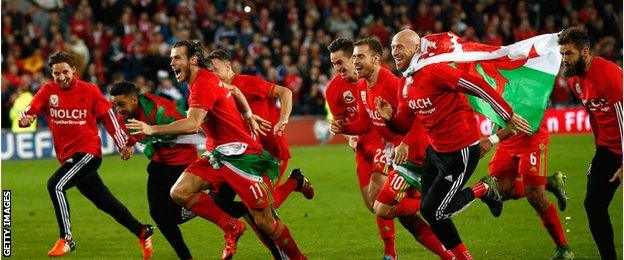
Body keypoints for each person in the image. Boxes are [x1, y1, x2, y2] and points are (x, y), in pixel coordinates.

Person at [126, 40, 307, 260]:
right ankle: (231, 226)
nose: (171, 62)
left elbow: (192, 124)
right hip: (219, 156)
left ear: (192, 60)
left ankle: (297, 257)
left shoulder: (202, 83)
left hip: (242, 157)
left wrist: (151, 129)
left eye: (176, 57)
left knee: (265, 220)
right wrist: (248, 116)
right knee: (179, 192)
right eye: (171, 58)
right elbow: (234, 91)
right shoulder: (200, 81)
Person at [375, 29, 531, 259]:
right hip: (435, 153)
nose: (394, 51)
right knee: (431, 211)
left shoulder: (434, 71)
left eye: (400, 46)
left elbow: (477, 85)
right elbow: (403, 125)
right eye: (393, 47)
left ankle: (484, 189)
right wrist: (389, 119)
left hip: (460, 153)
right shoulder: (405, 85)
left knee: (434, 211)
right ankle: (481, 198)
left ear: (417, 48)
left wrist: (506, 114)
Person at [18, 51, 154, 258]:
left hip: (88, 153)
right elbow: (31, 109)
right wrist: (26, 118)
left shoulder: (89, 90)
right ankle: (142, 231)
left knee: (55, 185)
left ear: (74, 70)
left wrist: (122, 144)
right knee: (103, 201)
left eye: (65, 72)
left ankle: (67, 239)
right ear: (52, 74)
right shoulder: (48, 90)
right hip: (69, 157)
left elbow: (108, 117)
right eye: (56, 74)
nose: (61, 77)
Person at [328, 37, 453, 259]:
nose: (355, 62)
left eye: (359, 57)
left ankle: (432, 203)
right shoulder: (363, 86)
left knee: (383, 204)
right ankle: (449, 253)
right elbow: (365, 123)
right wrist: (342, 127)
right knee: (398, 214)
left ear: (376, 59)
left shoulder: (393, 84)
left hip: (413, 154)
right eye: (354, 57)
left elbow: (420, 117)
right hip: (393, 150)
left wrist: (405, 143)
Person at [207, 49, 314, 209]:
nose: (213, 74)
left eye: (216, 70)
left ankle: (296, 181)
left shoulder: (245, 83)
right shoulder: (219, 92)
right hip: (248, 154)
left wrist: (283, 119)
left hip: (272, 150)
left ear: (228, 66)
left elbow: (285, 92)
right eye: (210, 71)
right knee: (248, 203)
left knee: (267, 205)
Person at [110, 81, 199, 259]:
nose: (119, 110)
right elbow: (138, 133)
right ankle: (185, 257)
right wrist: (129, 145)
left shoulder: (159, 109)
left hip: (183, 161)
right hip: (160, 162)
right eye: (115, 105)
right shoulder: (125, 118)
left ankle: (201, 204)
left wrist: (156, 131)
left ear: (134, 100)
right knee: (158, 214)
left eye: (121, 104)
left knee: (174, 217)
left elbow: (189, 126)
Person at [558, 27, 623, 260]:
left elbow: (622, 116)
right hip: (607, 151)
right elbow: (594, 117)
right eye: (562, 54)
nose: (564, 59)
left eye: (569, 54)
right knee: (593, 205)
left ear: (584, 52)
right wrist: (599, 149)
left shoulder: (610, 75)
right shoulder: (575, 81)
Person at [480, 119, 574, 259]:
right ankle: (550, 183)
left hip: (531, 136)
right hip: (508, 138)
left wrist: (491, 140)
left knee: (536, 197)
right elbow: (496, 107)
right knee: (498, 191)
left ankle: (564, 248)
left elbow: (536, 104)